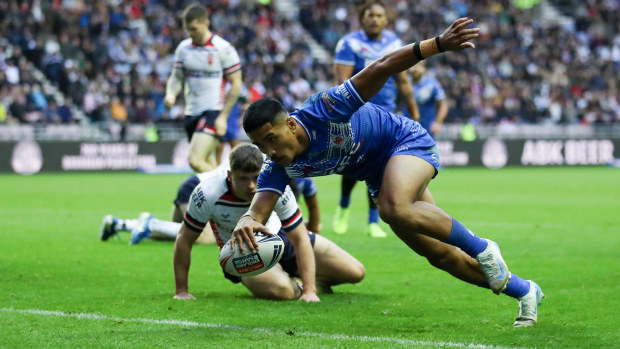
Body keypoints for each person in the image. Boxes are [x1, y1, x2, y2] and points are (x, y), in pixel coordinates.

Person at [234, 18, 543, 327]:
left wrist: (437, 44)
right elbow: (258, 209)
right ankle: (525, 290)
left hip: (404, 142)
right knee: (441, 256)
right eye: (260, 145)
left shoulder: (324, 110)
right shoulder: (278, 165)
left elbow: (382, 66)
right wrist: (247, 220)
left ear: (289, 124)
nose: (269, 151)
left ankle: (484, 248)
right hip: (380, 176)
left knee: (392, 207)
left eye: (271, 139)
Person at [173, 144, 365, 302]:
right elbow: (184, 238)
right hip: (242, 253)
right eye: (243, 179)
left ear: (263, 172)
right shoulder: (207, 193)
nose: (250, 185)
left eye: (256, 177)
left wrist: (310, 291)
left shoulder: (275, 185)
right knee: (284, 292)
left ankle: (305, 282)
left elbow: (299, 238)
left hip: (281, 237)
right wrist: (181, 290)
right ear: (230, 176)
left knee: (356, 272)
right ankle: (291, 283)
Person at [332, 0, 420, 238]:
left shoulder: (393, 43)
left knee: (380, 167)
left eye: (379, 15)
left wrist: (414, 111)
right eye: (370, 15)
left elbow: (402, 81)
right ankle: (343, 207)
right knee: (353, 165)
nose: (374, 19)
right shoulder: (349, 43)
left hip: (387, 115)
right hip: (359, 113)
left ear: (386, 19)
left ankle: (373, 221)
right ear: (362, 19)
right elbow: (342, 83)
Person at [164, 3, 242, 173]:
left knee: (195, 159)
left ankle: (234, 190)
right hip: (191, 112)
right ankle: (219, 198)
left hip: (214, 111)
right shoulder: (184, 48)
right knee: (208, 162)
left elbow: (236, 84)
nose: (191, 34)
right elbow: (176, 77)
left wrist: (224, 116)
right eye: (188, 30)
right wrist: (171, 93)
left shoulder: (222, 48)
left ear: (206, 23)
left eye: (194, 29)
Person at [408, 63, 448, 138]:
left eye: (418, 66)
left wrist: (438, 122)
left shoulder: (432, 84)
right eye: (413, 66)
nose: (415, 69)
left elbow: (443, 104)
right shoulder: (404, 83)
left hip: (427, 126)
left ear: (423, 68)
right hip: (407, 125)